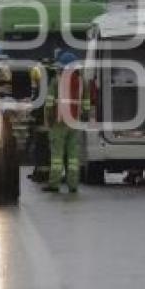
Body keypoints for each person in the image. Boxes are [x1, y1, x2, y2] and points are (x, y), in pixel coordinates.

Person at [42, 51, 83, 194]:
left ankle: (54, 184)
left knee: (57, 156)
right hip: (74, 122)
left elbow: (49, 103)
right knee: (73, 156)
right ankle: (73, 184)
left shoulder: (57, 81)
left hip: (58, 122)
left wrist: (47, 119)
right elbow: (85, 104)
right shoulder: (80, 81)